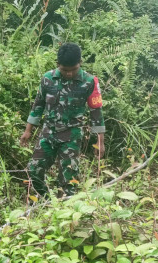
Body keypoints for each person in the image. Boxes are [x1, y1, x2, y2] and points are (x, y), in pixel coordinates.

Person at [19, 42, 104, 197]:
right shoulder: (47, 79)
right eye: (65, 70)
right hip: (48, 133)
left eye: (74, 69)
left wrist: (100, 142)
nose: (69, 74)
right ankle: (46, 202)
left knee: (69, 178)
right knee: (34, 169)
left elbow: (96, 113)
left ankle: (65, 208)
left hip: (71, 135)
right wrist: (28, 130)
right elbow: (38, 104)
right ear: (58, 64)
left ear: (80, 63)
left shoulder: (90, 82)